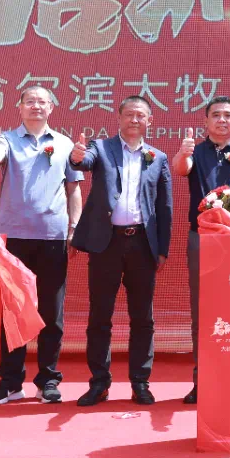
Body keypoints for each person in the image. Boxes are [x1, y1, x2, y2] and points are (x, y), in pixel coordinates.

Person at [0, 86, 83, 404]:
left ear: (51, 108)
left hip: (53, 237)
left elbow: (73, 189)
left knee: (51, 312)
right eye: (29, 101)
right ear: (19, 107)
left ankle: (48, 379)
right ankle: (10, 381)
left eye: (42, 102)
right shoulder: (7, 139)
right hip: (14, 238)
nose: (36, 106)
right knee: (13, 310)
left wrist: (74, 227)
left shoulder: (64, 144)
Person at [69, 95, 171, 407]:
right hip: (107, 243)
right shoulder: (101, 148)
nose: (134, 120)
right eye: (129, 114)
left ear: (150, 120)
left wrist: (162, 249)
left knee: (142, 318)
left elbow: (164, 207)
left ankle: (140, 382)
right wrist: (76, 157)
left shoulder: (158, 157)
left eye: (140, 115)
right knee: (100, 315)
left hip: (142, 244)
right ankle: (99, 382)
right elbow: (84, 161)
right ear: (119, 117)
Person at [172, 95, 230, 405]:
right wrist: (183, 154)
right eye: (216, 115)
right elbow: (181, 169)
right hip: (203, 239)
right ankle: (203, 381)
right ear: (206, 121)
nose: (222, 120)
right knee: (204, 310)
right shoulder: (195, 152)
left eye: (227, 115)